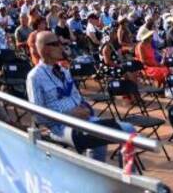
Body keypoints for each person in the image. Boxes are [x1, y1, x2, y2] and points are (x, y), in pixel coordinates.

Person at [26, 31, 134, 160]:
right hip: (60, 127)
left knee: (127, 130)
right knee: (112, 133)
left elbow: (78, 97)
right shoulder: (35, 76)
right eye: (57, 44)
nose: (62, 47)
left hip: (84, 120)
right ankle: (114, 176)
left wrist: (86, 108)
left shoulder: (64, 71)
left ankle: (110, 174)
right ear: (46, 49)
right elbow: (38, 116)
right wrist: (69, 115)